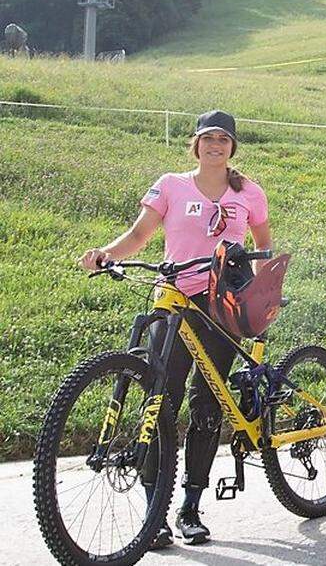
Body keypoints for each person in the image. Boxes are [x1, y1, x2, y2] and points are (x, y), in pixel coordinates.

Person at [79, 110, 272, 548]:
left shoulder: (249, 193)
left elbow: (263, 244)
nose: (215, 146)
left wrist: (259, 287)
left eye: (224, 139)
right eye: (208, 138)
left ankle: (190, 506)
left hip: (222, 303)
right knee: (160, 398)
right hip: (173, 299)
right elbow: (139, 234)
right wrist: (106, 253)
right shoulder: (171, 184)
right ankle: (155, 513)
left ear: (232, 146)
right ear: (196, 144)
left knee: (208, 400)